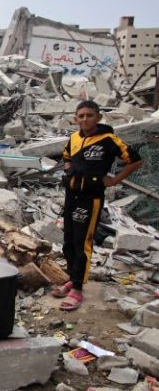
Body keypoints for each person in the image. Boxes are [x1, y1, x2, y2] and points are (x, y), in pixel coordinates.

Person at [52, 100, 142, 311]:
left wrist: (115, 180)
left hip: (90, 198)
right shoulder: (74, 138)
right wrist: (69, 171)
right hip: (71, 196)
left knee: (82, 242)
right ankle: (72, 278)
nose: (85, 119)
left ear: (98, 117)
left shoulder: (108, 140)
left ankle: (77, 289)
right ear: (76, 119)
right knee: (68, 241)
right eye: (81, 116)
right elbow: (66, 157)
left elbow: (136, 160)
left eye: (89, 115)